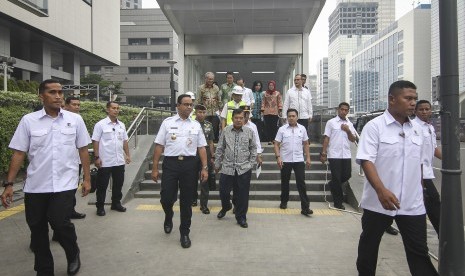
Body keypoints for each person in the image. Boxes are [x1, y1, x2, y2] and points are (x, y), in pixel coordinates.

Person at [0, 79, 91, 275]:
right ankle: (44, 268)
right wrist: (9, 184)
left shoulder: (75, 120)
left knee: (60, 222)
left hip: (64, 183)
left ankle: (73, 252)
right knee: (37, 228)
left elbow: (83, 150)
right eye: (52, 92)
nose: (58, 96)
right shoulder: (28, 121)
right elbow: (18, 153)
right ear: (41, 96)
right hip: (36, 185)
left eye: (60, 92)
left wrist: (87, 179)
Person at [356, 80, 438, 276]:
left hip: (412, 204)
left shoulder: (417, 129)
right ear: (392, 99)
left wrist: (421, 191)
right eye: (408, 98)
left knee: (418, 251)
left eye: (415, 99)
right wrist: (381, 191)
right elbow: (367, 160)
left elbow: (419, 164)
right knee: (369, 246)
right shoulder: (374, 127)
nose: (413, 103)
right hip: (379, 202)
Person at [151, 94, 208, 248]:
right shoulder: (167, 123)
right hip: (171, 164)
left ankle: (184, 232)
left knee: (186, 201)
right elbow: (159, 146)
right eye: (186, 104)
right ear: (178, 106)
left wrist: (204, 167)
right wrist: (155, 167)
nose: (189, 107)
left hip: (190, 165)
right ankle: (168, 215)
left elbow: (201, 147)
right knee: (166, 198)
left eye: (191, 104)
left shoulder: (196, 125)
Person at [215, 108, 257, 228]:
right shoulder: (226, 131)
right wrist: (217, 164)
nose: (239, 120)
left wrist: (250, 163)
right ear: (232, 119)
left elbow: (253, 148)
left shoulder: (250, 131)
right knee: (223, 192)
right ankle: (226, 206)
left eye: (241, 118)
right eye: (236, 118)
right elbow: (220, 148)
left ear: (245, 119)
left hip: (243, 168)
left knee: (242, 195)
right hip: (227, 167)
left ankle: (241, 217)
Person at [92, 101, 131, 216]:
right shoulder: (100, 125)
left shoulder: (121, 125)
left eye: (118, 108)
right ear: (108, 110)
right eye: (113, 108)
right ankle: (100, 206)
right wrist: (97, 157)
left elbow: (124, 141)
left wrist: (127, 155)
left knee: (118, 184)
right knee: (102, 186)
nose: (116, 110)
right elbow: (95, 141)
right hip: (105, 161)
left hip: (119, 161)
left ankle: (116, 204)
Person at [273, 108, 313, 216]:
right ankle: (284, 201)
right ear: (287, 117)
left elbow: (305, 144)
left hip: (299, 160)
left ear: (297, 117)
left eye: (293, 116)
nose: (291, 118)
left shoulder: (302, 128)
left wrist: (308, 158)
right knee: (285, 182)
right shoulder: (282, 129)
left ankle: (305, 208)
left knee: (301, 183)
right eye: (289, 116)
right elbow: (276, 144)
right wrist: (278, 157)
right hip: (285, 160)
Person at [320, 102, 357, 210]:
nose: (344, 112)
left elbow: (353, 139)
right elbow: (326, 138)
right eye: (342, 109)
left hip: (345, 154)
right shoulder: (331, 122)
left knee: (346, 175)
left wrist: (348, 130)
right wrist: (323, 153)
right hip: (334, 154)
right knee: (337, 178)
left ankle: (332, 184)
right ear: (338, 109)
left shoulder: (349, 124)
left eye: (346, 110)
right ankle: (338, 202)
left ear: (348, 111)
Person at [414, 99, 442, 235]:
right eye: (421, 109)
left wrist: (450, 161)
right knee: (434, 205)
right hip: (420, 174)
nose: (425, 112)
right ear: (415, 111)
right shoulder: (414, 127)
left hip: (427, 172)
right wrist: (420, 179)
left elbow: (434, 149)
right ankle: (446, 241)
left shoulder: (430, 127)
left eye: (427, 109)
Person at [63, 96, 87, 219]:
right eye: (74, 104)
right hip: (60, 163)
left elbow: (83, 147)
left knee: (72, 187)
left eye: (78, 105)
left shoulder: (78, 119)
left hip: (75, 161)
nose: (77, 107)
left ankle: (70, 210)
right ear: (66, 105)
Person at [192, 104, 216, 214]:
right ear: (195, 113)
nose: (201, 114)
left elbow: (211, 141)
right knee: (191, 179)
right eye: (199, 112)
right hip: (192, 152)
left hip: (205, 152)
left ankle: (204, 204)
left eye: (203, 112)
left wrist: (212, 156)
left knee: (204, 180)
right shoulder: (191, 123)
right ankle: (193, 198)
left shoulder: (209, 125)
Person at [197, 72, 221, 142]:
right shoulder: (201, 88)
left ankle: (214, 145)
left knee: (214, 129)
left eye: (212, 79)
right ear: (206, 79)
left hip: (215, 113)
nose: (211, 81)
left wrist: (220, 109)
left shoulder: (216, 88)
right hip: (205, 113)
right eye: (209, 79)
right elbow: (198, 100)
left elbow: (219, 99)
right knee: (205, 130)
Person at [261, 80, 283, 145]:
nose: (271, 86)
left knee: (274, 126)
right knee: (267, 127)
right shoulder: (265, 93)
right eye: (270, 85)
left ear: (274, 86)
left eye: (272, 85)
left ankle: (274, 139)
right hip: (266, 112)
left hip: (275, 112)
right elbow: (263, 102)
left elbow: (280, 101)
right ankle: (269, 139)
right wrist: (262, 110)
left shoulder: (277, 93)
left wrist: (280, 110)